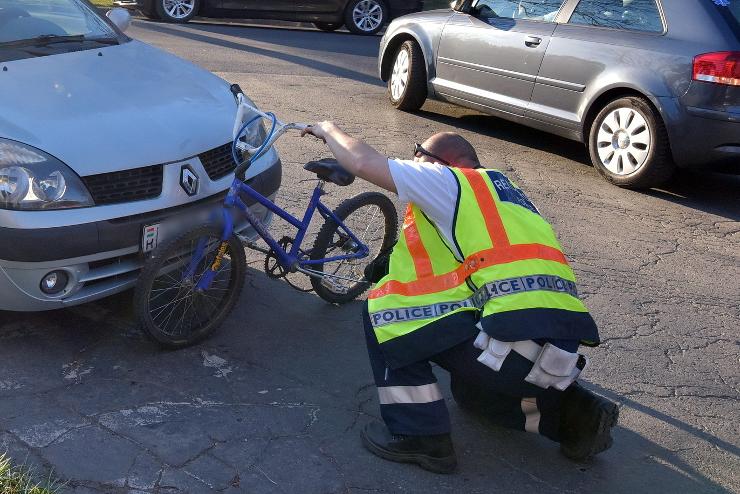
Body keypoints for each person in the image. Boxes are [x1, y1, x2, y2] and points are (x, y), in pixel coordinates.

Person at [302, 122, 619, 474]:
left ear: (442, 163)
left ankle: (422, 439)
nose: (413, 164)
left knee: (386, 310)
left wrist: (328, 129)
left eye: (417, 156)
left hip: (514, 350)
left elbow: (363, 162)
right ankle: (577, 415)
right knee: (471, 398)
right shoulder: (509, 196)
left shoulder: (450, 182)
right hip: (554, 353)